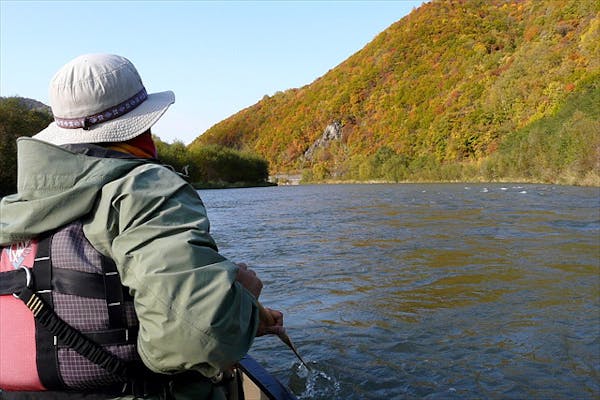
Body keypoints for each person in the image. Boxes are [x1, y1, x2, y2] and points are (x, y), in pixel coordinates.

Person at [0, 53, 284, 399]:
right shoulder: (143, 189)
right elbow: (197, 337)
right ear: (142, 124)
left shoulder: (12, 211)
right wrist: (242, 301)